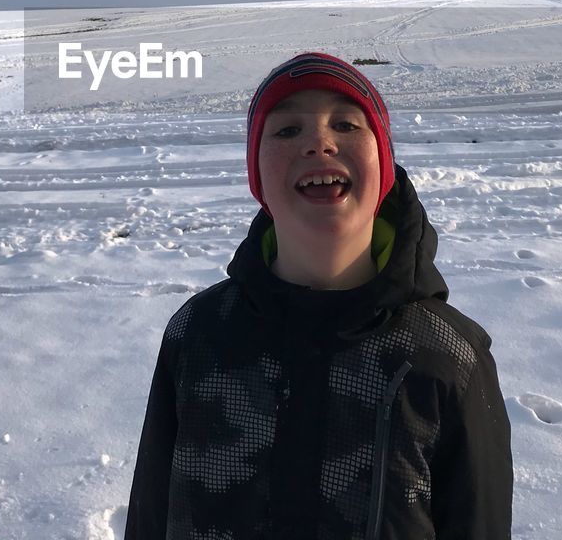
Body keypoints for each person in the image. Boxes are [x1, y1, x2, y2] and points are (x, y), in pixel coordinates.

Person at [125, 52, 512, 539]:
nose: (319, 143)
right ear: (258, 177)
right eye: (287, 131)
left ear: (384, 165)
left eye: (347, 125)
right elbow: (148, 518)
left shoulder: (449, 356)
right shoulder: (198, 334)